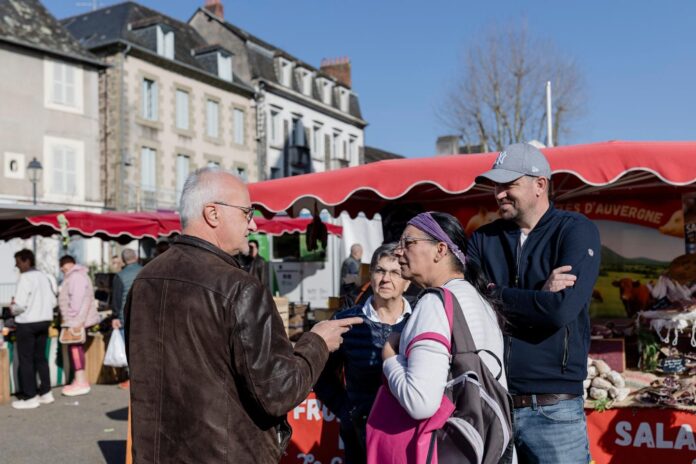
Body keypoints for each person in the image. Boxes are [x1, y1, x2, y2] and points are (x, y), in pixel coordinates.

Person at [124, 166, 362, 464]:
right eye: (246, 213)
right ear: (213, 214)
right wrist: (318, 342)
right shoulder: (240, 287)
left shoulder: (145, 279)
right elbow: (278, 392)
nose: (253, 225)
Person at [467, 142, 601, 464]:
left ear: (540, 184)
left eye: (508, 184)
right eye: (495, 186)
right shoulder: (482, 239)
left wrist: (493, 293)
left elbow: (559, 311)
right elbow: (469, 305)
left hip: (554, 409)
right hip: (493, 402)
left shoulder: (575, 230)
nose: (499, 194)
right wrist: (539, 293)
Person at [381, 211, 507, 415]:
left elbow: (419, 403)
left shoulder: (435, 302)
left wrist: (390, 359)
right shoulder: (480, 299)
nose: (397, 251)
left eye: (408, 242)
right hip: (486, 430)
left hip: (449, 433)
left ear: (440, 250)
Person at [315, 243, 412, 464]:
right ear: (371, 276)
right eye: (380, 270)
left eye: (395, 272)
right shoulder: (346, 321)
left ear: (407, 281)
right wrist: (346, 410)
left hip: (408, 432)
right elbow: (321, 374)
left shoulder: (420, 320)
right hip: (360, 436)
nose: (386, 279)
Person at [10, 249, 57, 409]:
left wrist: (12, 308)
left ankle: (30, 396)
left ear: (26, 261)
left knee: (26, 360)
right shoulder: (44, 276)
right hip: (44, 321)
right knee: (41, 358)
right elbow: (53, 301)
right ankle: (46, 392)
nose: (16, 266)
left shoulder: (25, 278)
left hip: (27, 323)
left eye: (18, 262)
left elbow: (19, 305)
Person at [58, 255, 99, 397]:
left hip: (75, 319)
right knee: (76, 348)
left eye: (62, 265)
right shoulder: (78, 275)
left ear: (67, 264)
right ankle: (78, 380)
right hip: (77, 318)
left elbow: (76, 300)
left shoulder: (75, 277)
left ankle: (81, 381)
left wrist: (71, 318)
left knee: (75, 348)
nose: (61, 268)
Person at [111, 248, 143, 389]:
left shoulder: (120, 276)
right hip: (144, 317)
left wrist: (115, 316)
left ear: (123, 260)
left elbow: (116, 299)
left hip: (126, 318)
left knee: (130, 351)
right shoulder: (146, 271)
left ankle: (132, 379)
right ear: (136, 257)